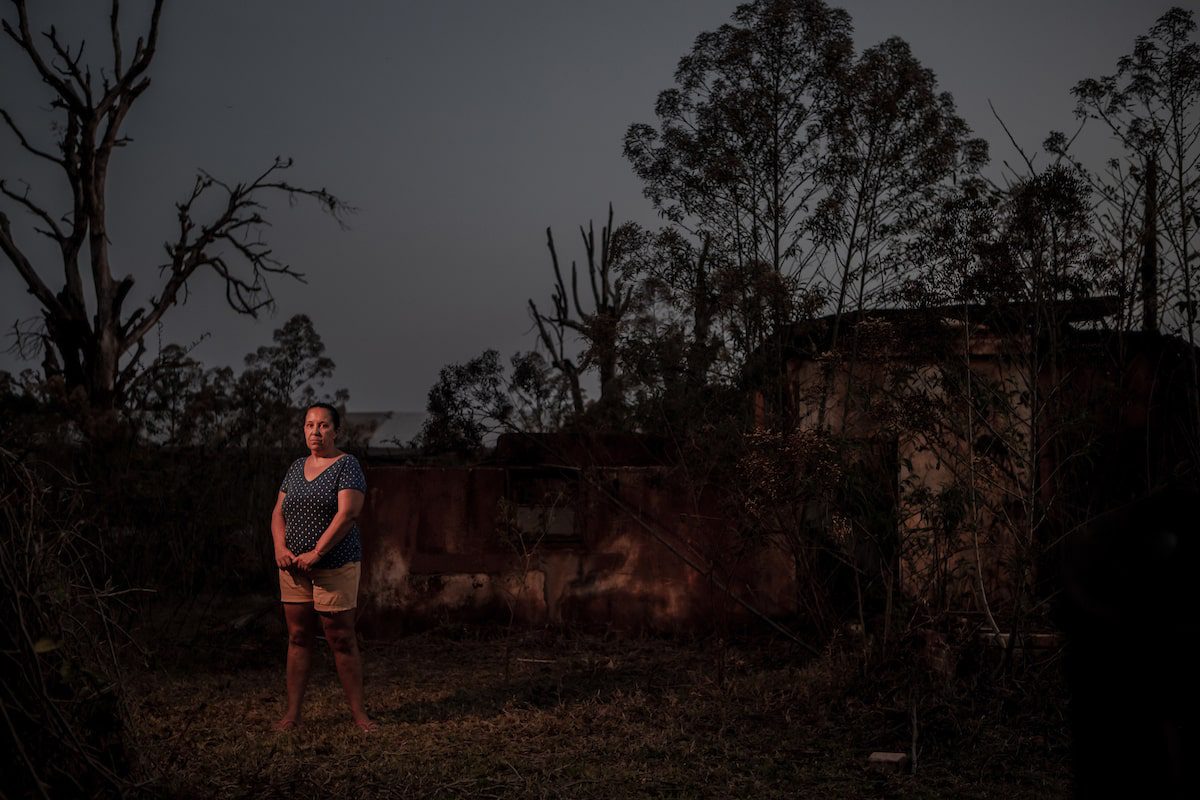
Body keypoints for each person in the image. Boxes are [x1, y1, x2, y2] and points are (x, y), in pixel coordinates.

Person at [271, 402, 375, 732]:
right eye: (309, 425)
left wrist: (317, 553)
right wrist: (280, 548)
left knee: (341, 637)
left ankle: (359, 715)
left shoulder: (347, 465)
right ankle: (292, 715)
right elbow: (278, 512)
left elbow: (348, 514)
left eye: (323, 426)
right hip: (293, 568)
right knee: (298, 636)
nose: (315, 431)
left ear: (336, 430)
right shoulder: (296, 466)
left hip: (334, 565)